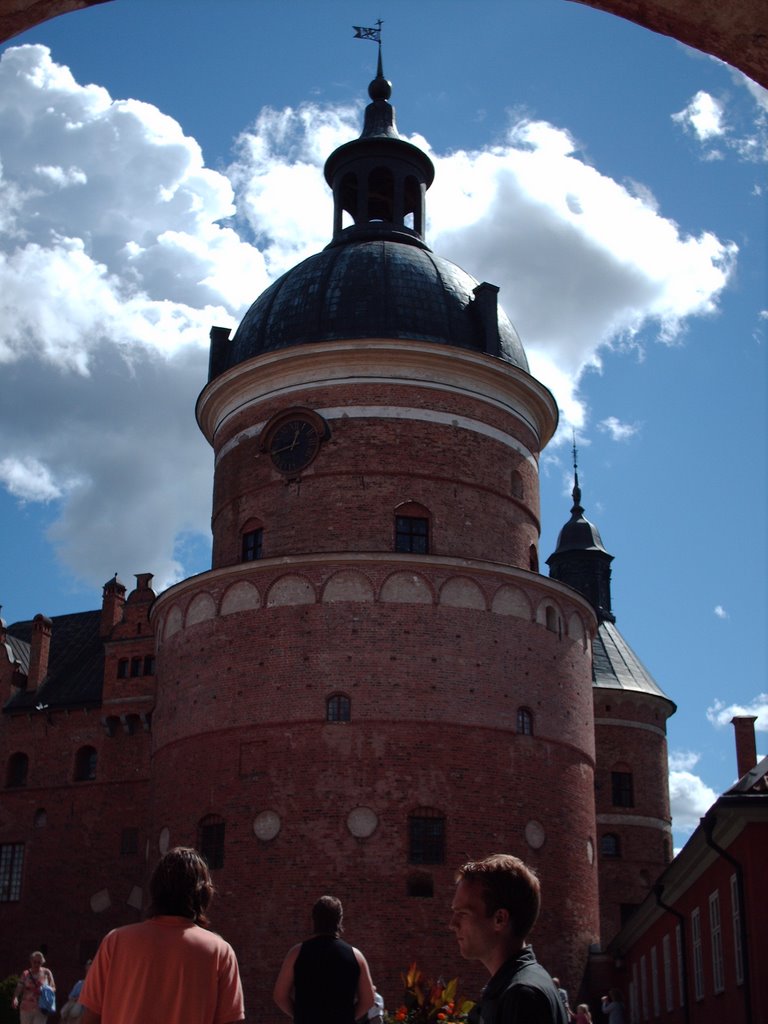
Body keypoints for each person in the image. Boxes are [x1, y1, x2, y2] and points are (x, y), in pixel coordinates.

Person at [79, 846, 244, 1024]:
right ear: (204, 894)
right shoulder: (220, 952)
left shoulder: (115, 942)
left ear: (155, 890)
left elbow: (90, 1018)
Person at [449, 853, 568, 1024]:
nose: (452, 924)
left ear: (500, 919)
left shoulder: (522, 996)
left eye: (463, 913)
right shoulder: (515, 987)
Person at [274, 894, 376, 1024]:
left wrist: (299, 1016)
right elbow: (368, 1000)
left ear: (314, 919)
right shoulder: (356, 956)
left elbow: (280, 995)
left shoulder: (296, 953)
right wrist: (348, 1017)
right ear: (340, 920)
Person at [11, 952, 55, 1024]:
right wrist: (15, 997)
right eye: (35, 962)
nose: (37, 964)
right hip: (26, 1007)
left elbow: (53, 987)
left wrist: (45, 990)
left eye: (39, 962)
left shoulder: (47, 972)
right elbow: (19, 987)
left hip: (41, 1007)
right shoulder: (25, 974)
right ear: (31, 961)